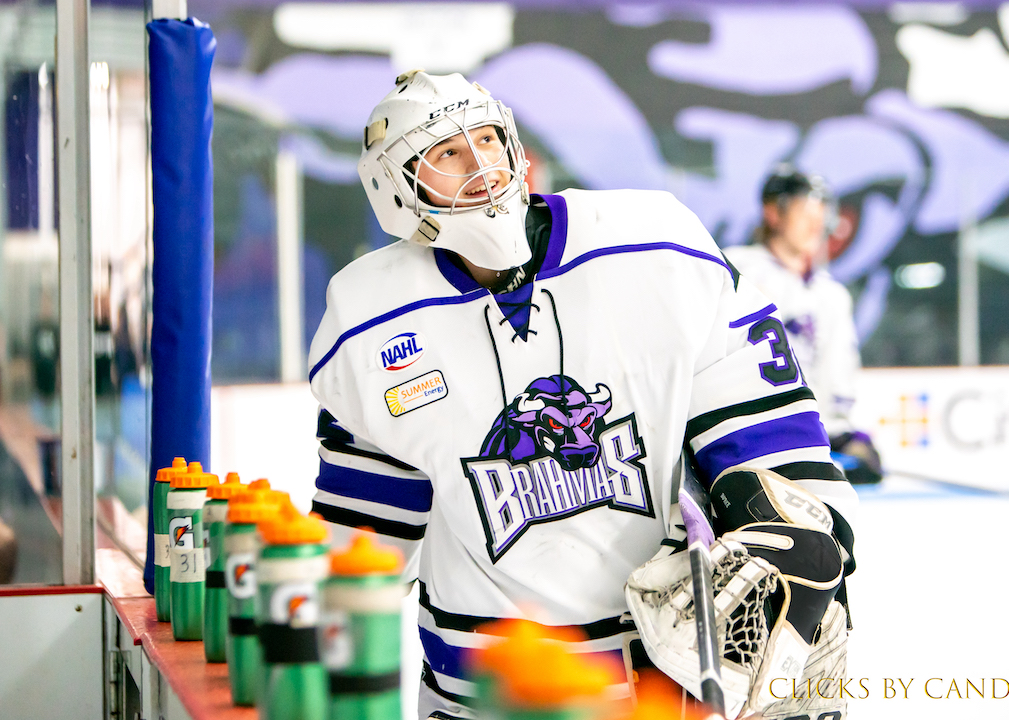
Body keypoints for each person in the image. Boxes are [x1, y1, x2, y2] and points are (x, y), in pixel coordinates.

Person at [307, 71, 858, 719]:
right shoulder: (369, 319)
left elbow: (772, 443)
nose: (480, 163)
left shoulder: (658, 244)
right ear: (395, 187)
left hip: (658, 684)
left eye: (487, 139)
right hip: (484, 692)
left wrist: (814, 549)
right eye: (447, 152)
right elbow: (365, 539)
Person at [723, 168, 883, 484]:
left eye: (821, 210)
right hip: (751, 429)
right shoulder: (738, 272)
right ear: (773, 212)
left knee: (866, 465)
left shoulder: (831, 294)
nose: (817, 221)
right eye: (804, 208)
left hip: (810, 434)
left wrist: (839, 433)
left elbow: (836, 374)